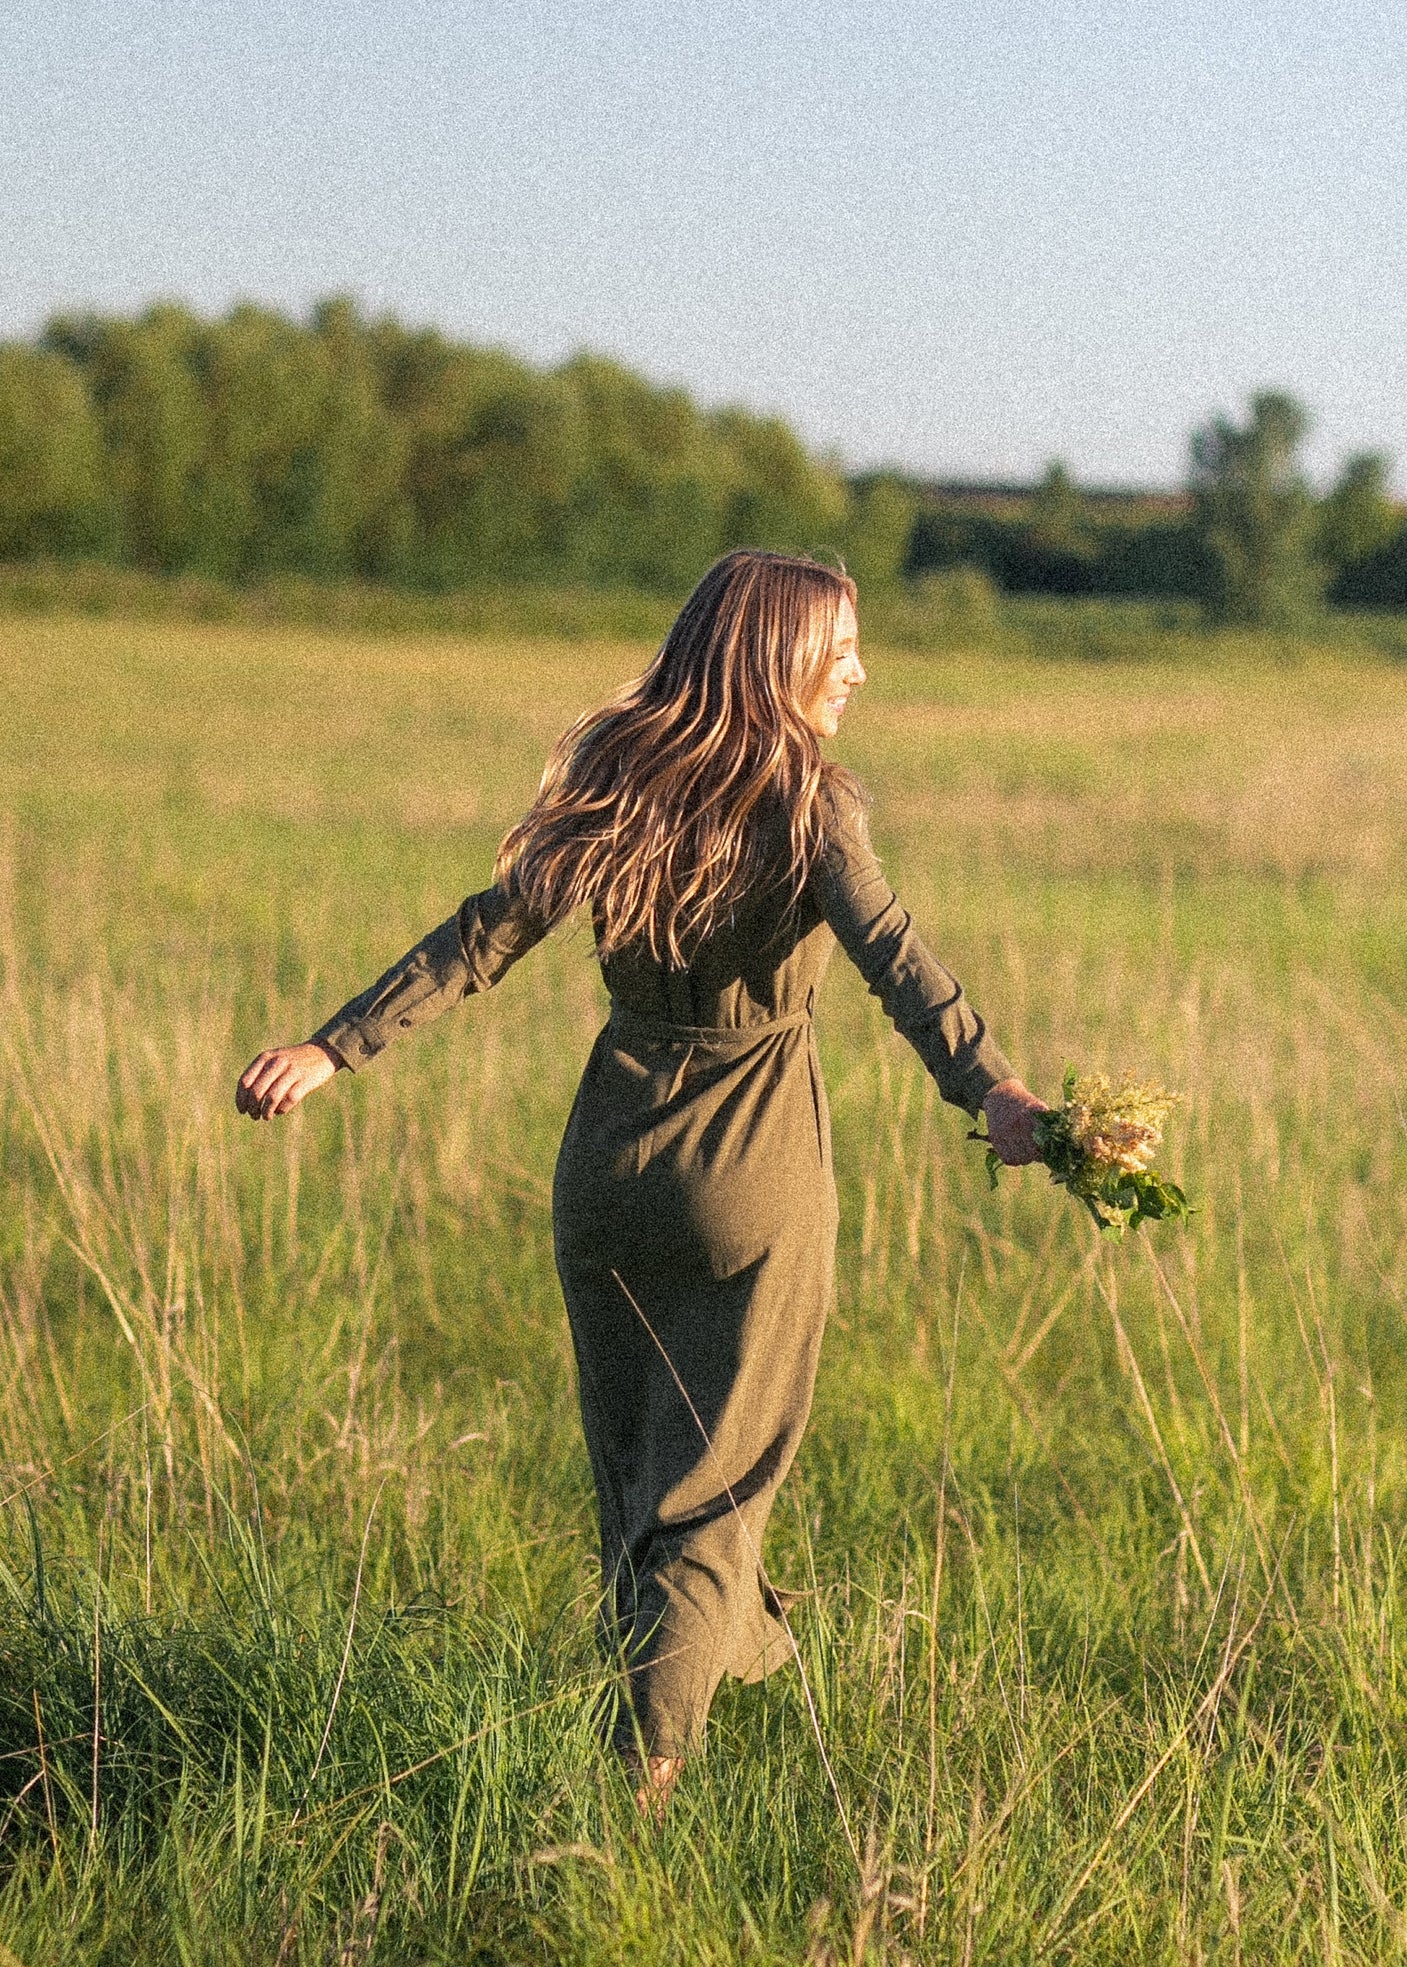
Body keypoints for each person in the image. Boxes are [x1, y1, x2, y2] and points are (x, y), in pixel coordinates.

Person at [236, 550, 1047, 1814]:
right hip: (753, 1171)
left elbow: (481, 933)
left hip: (606, 1166)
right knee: (710, 1498)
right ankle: (647, 1787)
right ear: (774, 660)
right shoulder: (811, 799)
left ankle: (742, 1650)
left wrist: (330, 1047)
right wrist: (989, 1086)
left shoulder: (620, 777)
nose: (858, 673)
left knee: (635, 1486)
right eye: (837, 651)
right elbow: (894, 956)